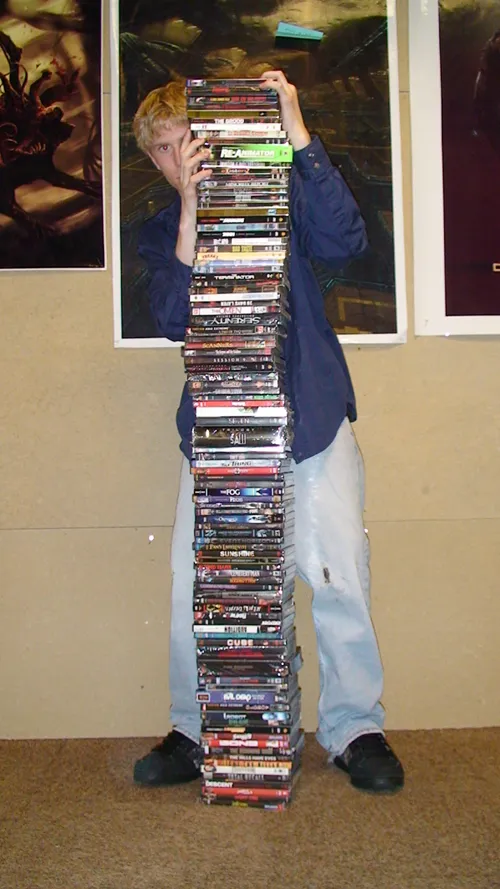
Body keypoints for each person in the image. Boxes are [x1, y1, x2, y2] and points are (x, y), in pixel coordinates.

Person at [131, 71, 404, 793]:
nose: (179, 157)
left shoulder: (277, 197)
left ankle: (354, 727)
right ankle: (197, 727)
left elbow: (346, 240)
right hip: (220, 429)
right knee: (200, 584)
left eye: (188, 140)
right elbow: (174, 318)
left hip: (310, 413)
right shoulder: (160, 232)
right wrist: (192, 213)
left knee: (340, 572)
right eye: (163, 149)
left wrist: (295, 127)